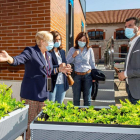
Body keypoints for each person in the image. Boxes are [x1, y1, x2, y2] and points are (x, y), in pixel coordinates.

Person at [0, 31, 72, 140]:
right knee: (29, 122)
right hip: (31, 94)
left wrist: (59, 69)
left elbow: (49, 71)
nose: (52, 43)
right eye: (51, 41)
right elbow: (18, 60)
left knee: (42, 121)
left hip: (44, 94)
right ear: (42, 41)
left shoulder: (47, 54)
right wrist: (9, 58)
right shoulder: (31, 51)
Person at [66, 32, 96, 106]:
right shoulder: (72, 49)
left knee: (87, 99)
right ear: (77, 40)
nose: (82, 42)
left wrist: (94, 76)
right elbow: (67, 62)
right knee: (76, 99)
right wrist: (73, 56)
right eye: (80, 40)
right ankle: (76, 116)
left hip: (88, 75)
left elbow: (92, 63)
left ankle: (87, 117)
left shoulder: (89, 50)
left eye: (84, 40)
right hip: (76, 76)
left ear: (86, 41)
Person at [118, 17, 140, 105]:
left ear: (138, 28)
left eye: (130, 25)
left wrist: (126, 74)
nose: (127, 28)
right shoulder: (131, 44)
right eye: (125, 26)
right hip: (131, 89)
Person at [49, 30, 70, 103]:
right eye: (56, 40)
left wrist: (67, 66)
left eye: (59, 39)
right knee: (50, 106)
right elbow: (47, 67)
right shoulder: (48, 52)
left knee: (59, 105)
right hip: (51, 82)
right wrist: (59, 66)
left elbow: (64, 62)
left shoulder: (62, 52)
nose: (58, 41)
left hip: (62, 82)